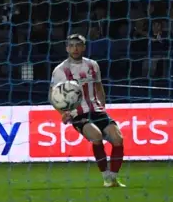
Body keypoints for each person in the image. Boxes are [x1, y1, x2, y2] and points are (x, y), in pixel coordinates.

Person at [50, 34, 126, 187]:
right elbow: (53, 96)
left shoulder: (93, 65)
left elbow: (99, 88)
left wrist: (102, 107)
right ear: (66, 48)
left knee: (118, 139)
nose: (75, 48)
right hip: (78, 114)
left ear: (84, 47)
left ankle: (113, 178)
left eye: (78, 45)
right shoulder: (60, 70)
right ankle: (105, 177)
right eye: (71, 45)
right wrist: (63, 113)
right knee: (96, 136)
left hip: (97, 110)